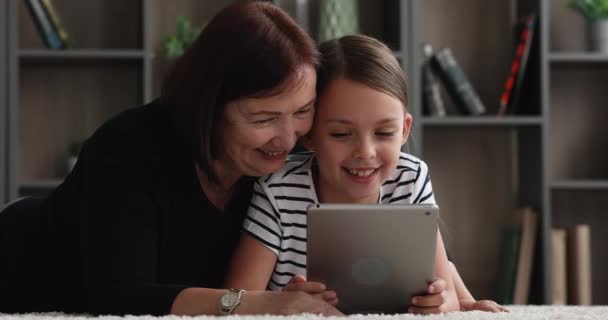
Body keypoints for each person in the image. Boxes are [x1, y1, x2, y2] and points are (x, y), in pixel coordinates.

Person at [0, 2, 341, 316]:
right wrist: (255, 303)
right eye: (263, 119)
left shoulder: (295, 154)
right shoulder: (128, 147)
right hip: (25, 286)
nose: (287, 138)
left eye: (303, 111)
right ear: (209, 107)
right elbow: (121, 298)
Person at [224, 35, 508, 314]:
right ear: (309, 134)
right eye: (341, 134)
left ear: (405, 131)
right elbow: (239, 297)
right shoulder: (278, 189)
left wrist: (453, 302)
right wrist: (278, 303)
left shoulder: (410, 178)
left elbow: (442, 282)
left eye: (384, 133)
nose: (365, 151)